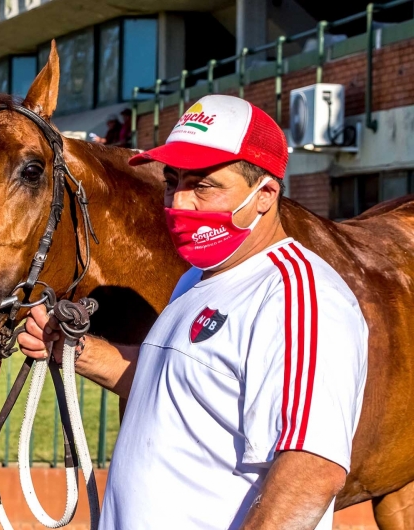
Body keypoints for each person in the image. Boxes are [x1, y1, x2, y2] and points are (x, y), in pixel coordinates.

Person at [18, 95, 368, 529]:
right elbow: (167, 385)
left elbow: (312, 470)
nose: (179, 204)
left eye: (203, 186)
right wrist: (74, 349)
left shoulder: (300, 295)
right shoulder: (197, 279)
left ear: (265, 195)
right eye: (173, 181)